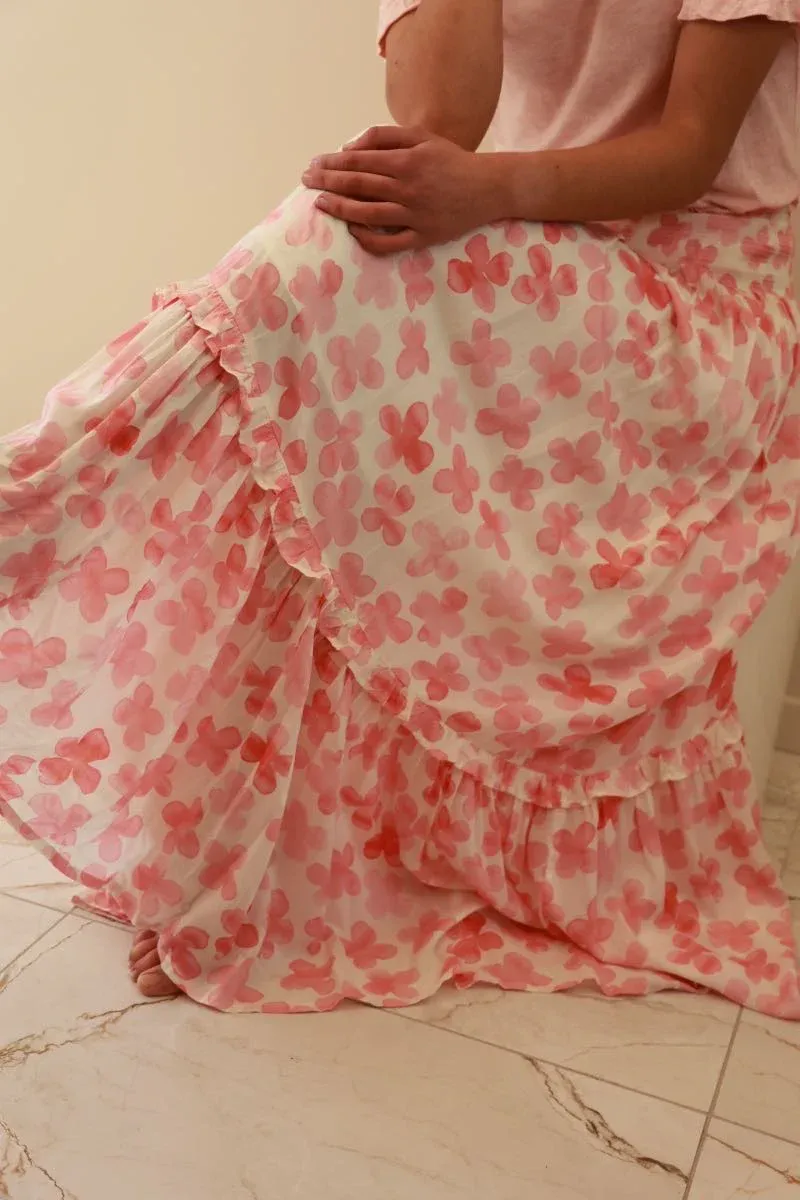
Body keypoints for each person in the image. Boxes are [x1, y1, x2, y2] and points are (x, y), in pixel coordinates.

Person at [1, 0, 799, 1018]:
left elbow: (688, 151)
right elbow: (437, 126)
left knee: (325, 265)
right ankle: (240, 853)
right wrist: (473, 186)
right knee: (342, 264)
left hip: (697, 290)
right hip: (527, 242)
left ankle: (35, 505)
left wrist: (487, 189)